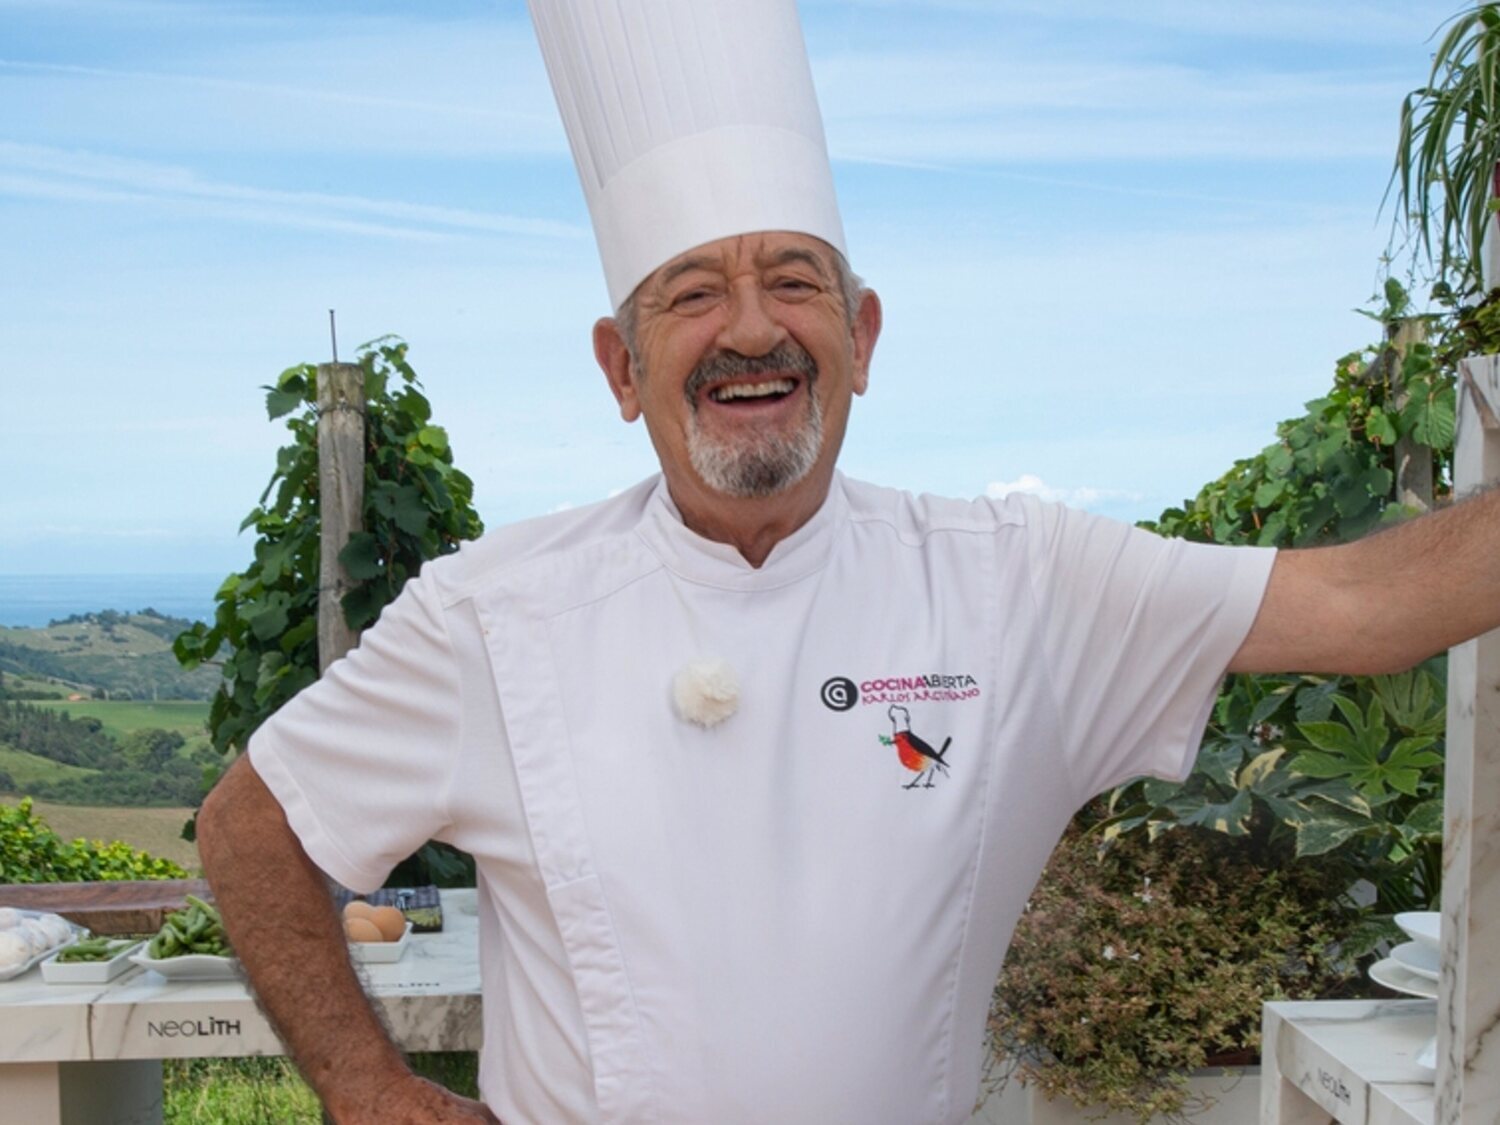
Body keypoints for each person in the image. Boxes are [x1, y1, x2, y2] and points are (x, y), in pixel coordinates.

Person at [196, 3, 1500, 1123]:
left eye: (795, 281)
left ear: (863, 338)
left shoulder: (1018, 580)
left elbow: (1374, 606)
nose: (751, 327)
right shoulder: (495, 613)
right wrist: (368, 1087)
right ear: (620, 364)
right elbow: (252, 825)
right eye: (692, 291)